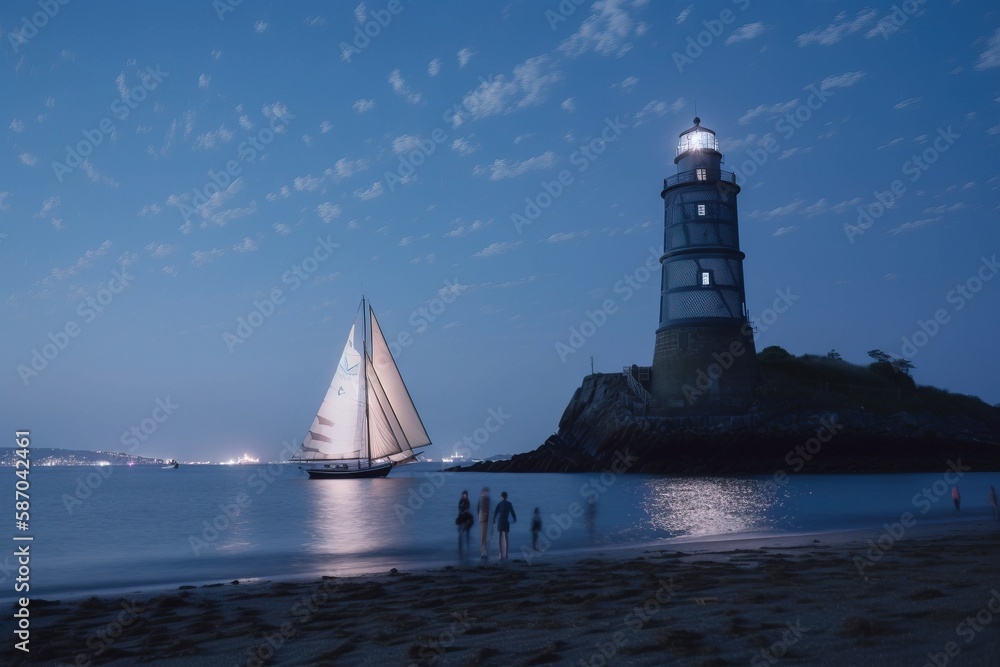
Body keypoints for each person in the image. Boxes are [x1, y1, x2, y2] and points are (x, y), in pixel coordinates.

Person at [493, 491, 517, 560]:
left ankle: (500, 553)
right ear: (506, 497)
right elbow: (512, 512)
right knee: (506, 537)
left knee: (500, 537)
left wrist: (494, 521)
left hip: (500, 521)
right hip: (506, 522)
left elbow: (495, 513)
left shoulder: (499, 504)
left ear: (501, 497)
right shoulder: (509, 504)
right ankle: (506, 554)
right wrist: (514, 519)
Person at [456, 490, 474, 558]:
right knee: (460, 533)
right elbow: (460, 509)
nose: (463, 496)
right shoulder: (460, 501)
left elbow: (467, 509)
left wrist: (464, 512)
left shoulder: (467, 501)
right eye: (463, 495)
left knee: (467, 532)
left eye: (464, 495)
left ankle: (467, 548)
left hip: (466, 519)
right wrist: (462, 512)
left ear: (466, 496)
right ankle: (461, 549)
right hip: (461, 518)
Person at [477, 487, 491, 559]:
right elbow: (484, 508)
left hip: (483, 517)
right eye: (487, 492)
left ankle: (484, 551)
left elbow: (478, 508)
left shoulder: (482, 498)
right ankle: (483, 552)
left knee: (484, 535)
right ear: (484, 491)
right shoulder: (484, 498)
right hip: (483, 517)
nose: (487, 493)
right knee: (483, 535)